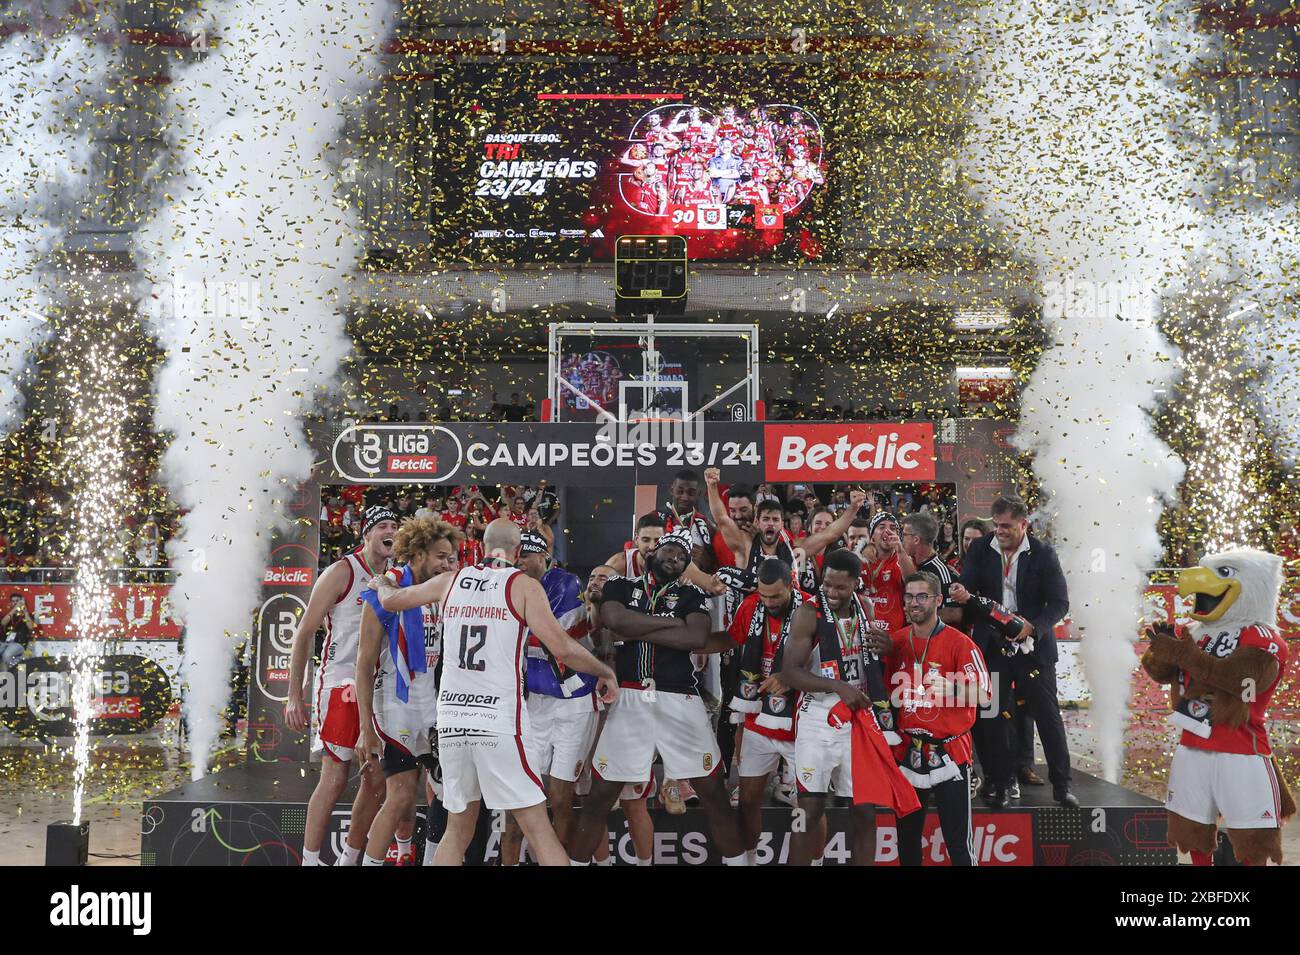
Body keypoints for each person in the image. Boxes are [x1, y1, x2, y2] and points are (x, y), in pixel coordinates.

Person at [374, 518, 617, 866]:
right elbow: (562, 649)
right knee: (538, 828)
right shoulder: (523, 585)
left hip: (454, 722)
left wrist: (382, 580)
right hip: (497, 723)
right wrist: (604, 670)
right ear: (518, 552)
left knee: (457, 831)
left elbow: (393, 599)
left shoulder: (449, 580)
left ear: (482, 546)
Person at [568, 531, 748, 865]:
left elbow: (695, 636)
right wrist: (670, 625)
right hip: (630, 699)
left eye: (683, 556)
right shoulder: (620, 586)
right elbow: (614, 619)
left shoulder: (692, 594)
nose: (675, 558)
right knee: (599, 798)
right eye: (669, 550)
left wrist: (635, 630)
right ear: (650, 551)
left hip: (680, 698)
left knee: (714, 794)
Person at [284, 505, 398, 866]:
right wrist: (293, 695)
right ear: (366, 534)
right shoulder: (342, 571)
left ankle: (349, 858)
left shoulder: (397, 577)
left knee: (377, 780)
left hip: (380, 688)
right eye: (382, 525)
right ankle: (310, 859)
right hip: (342, 685)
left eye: (395, 525)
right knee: (334, 779)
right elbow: (303, 634)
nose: (390, 531)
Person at [950, 496, 1075, 808]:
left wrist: (1032, 627)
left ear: (1024, 524)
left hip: (1034, 649)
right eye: (996, 525)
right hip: (993, 647)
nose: (999, 531)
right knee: (990, 716)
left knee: (1047, 717)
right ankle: (1001, 782)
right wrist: (966, 598)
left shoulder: (1044, 553)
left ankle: (1062, 786)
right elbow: (969, 591)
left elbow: (1059, 603)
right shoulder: (980, 549)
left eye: (1006, 526)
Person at [355, 517, 461, 866]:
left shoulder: (440, 590)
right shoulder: (381, 592)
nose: (448, 564)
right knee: (400, 799)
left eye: (451, 557)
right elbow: (364, 663)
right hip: (394, 707)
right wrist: (365, 730)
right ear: (416, 554)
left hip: (431, 707)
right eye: (441, 556)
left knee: (448, 795)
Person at [778, 548, 892, 865]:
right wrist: (836, 686)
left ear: (856, 583)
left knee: (865, 811)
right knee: (808, 811)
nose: (831, 592)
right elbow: (789, 672)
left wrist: (888, 647)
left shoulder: (865, 608)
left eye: (840, 587)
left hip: (858, 720)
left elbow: (876, 659)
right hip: (817, 719)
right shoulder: (807, 613)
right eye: (826, 584)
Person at [498, 531, 597, 864]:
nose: (520, 561)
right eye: (517, 555)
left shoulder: (566, 583)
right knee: (520, 799)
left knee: (559, 796)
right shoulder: (512, 585)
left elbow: (547, 638)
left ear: (543, 556)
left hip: (574, 703)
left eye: (526, 555)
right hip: (534, 704)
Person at [888, 572, 989, 866]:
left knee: (958, 845)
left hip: (949, 755)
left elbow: (985, 696)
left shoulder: (961, 644)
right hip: (907, 754)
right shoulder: (896, 642)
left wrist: (955, 688)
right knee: (906, 843)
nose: (914, 603)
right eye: (909, 596)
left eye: (922, 596)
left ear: (938, 600)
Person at [900, 512, 962, 628]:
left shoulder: (941, 571)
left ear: (916, 540)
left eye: (904, 535)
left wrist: (919, 617)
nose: (902, 540)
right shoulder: (910, 564)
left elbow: (954, 613)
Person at [605, 512, 665, 578]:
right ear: (636, 539)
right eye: (646, 540)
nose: (652, 547)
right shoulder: (618, 565)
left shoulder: (672, 566)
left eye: (658, 540)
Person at [1, 593, 36, 667]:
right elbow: (3, 623)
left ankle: (7, 676)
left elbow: (30, 627)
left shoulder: (28, 615)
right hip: (5, 642)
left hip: (19, 643)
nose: (15, 603)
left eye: (17, 601)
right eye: (13, 601)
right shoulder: (9, 614)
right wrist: (15, 609)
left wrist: (25, 611)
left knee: (6, 655)